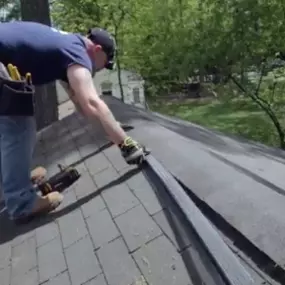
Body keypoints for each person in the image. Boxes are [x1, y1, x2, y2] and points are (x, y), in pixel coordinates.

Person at [0, 21, 147, 223]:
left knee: (11, 126)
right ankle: (21, 203)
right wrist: (127, 144)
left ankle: (15, 178)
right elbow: (91, 102)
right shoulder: (78, 53)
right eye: (104, 63)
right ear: (96, 50)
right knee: (19, 128)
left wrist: (113, 130)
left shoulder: (65, 45)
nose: (101, 69)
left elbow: (80, 102)